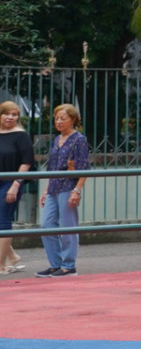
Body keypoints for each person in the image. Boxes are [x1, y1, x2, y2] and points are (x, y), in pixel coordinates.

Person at [37, 104, 88, 277]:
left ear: (73, 120)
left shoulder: (78, 139)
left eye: (63, 119)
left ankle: (68, 265)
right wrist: (46, 190)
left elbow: (84, 168)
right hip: (53, 187)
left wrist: (77, 190)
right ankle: (55, 263)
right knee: (46, 225)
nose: (59, 122)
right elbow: (52, 167)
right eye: (56, 118)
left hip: (68, 186)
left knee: (68, 226)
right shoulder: (56, 139)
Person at [0, 100, 34, 274]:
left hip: (11, 182)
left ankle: (1, 265)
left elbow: (27, 162)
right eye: (7, 114)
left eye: (14, 115)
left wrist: (15, 184)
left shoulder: (21, 136)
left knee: (3, 220)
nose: (10, 117)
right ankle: (13, 256)